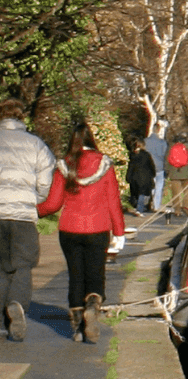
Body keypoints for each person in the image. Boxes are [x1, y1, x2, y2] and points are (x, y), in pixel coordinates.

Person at [39, 122, 125, 342]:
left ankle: (77, 326)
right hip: (98, 228)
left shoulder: (65, 165)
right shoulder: (104, 165)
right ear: (91, 139)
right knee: (96, 274)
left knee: (75, 275)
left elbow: (53, 203)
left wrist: (33, 211)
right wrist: (119, 232)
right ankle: (93, 305)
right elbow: (113, 201)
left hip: (70, 229)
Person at [0, 99, 55, 341]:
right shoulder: (36, 145)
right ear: (22, 117)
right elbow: (45, 182)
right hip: (23, 214)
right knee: (23, 265)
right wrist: (35, 198)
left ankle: (2, 320)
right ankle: (17, 304)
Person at [127, 138, 156, 213]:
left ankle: (139, 207)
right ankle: (141, 208)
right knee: (144, 193)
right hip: (145, 177)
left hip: (135, 177)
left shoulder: (132, 155)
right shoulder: (146, 155)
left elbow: (130, 166)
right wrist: (153, 173)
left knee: (137, 193)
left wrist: (128, 177)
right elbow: (151, 165)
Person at [145, 121, 168, 211]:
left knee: (150, 185)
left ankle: (147, 203)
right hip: (159, 166)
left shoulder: (146, 141)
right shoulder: (162, 142)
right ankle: (156, 206)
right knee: (159, 187)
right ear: (159, 130)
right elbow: (164, 154)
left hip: (148, 166)